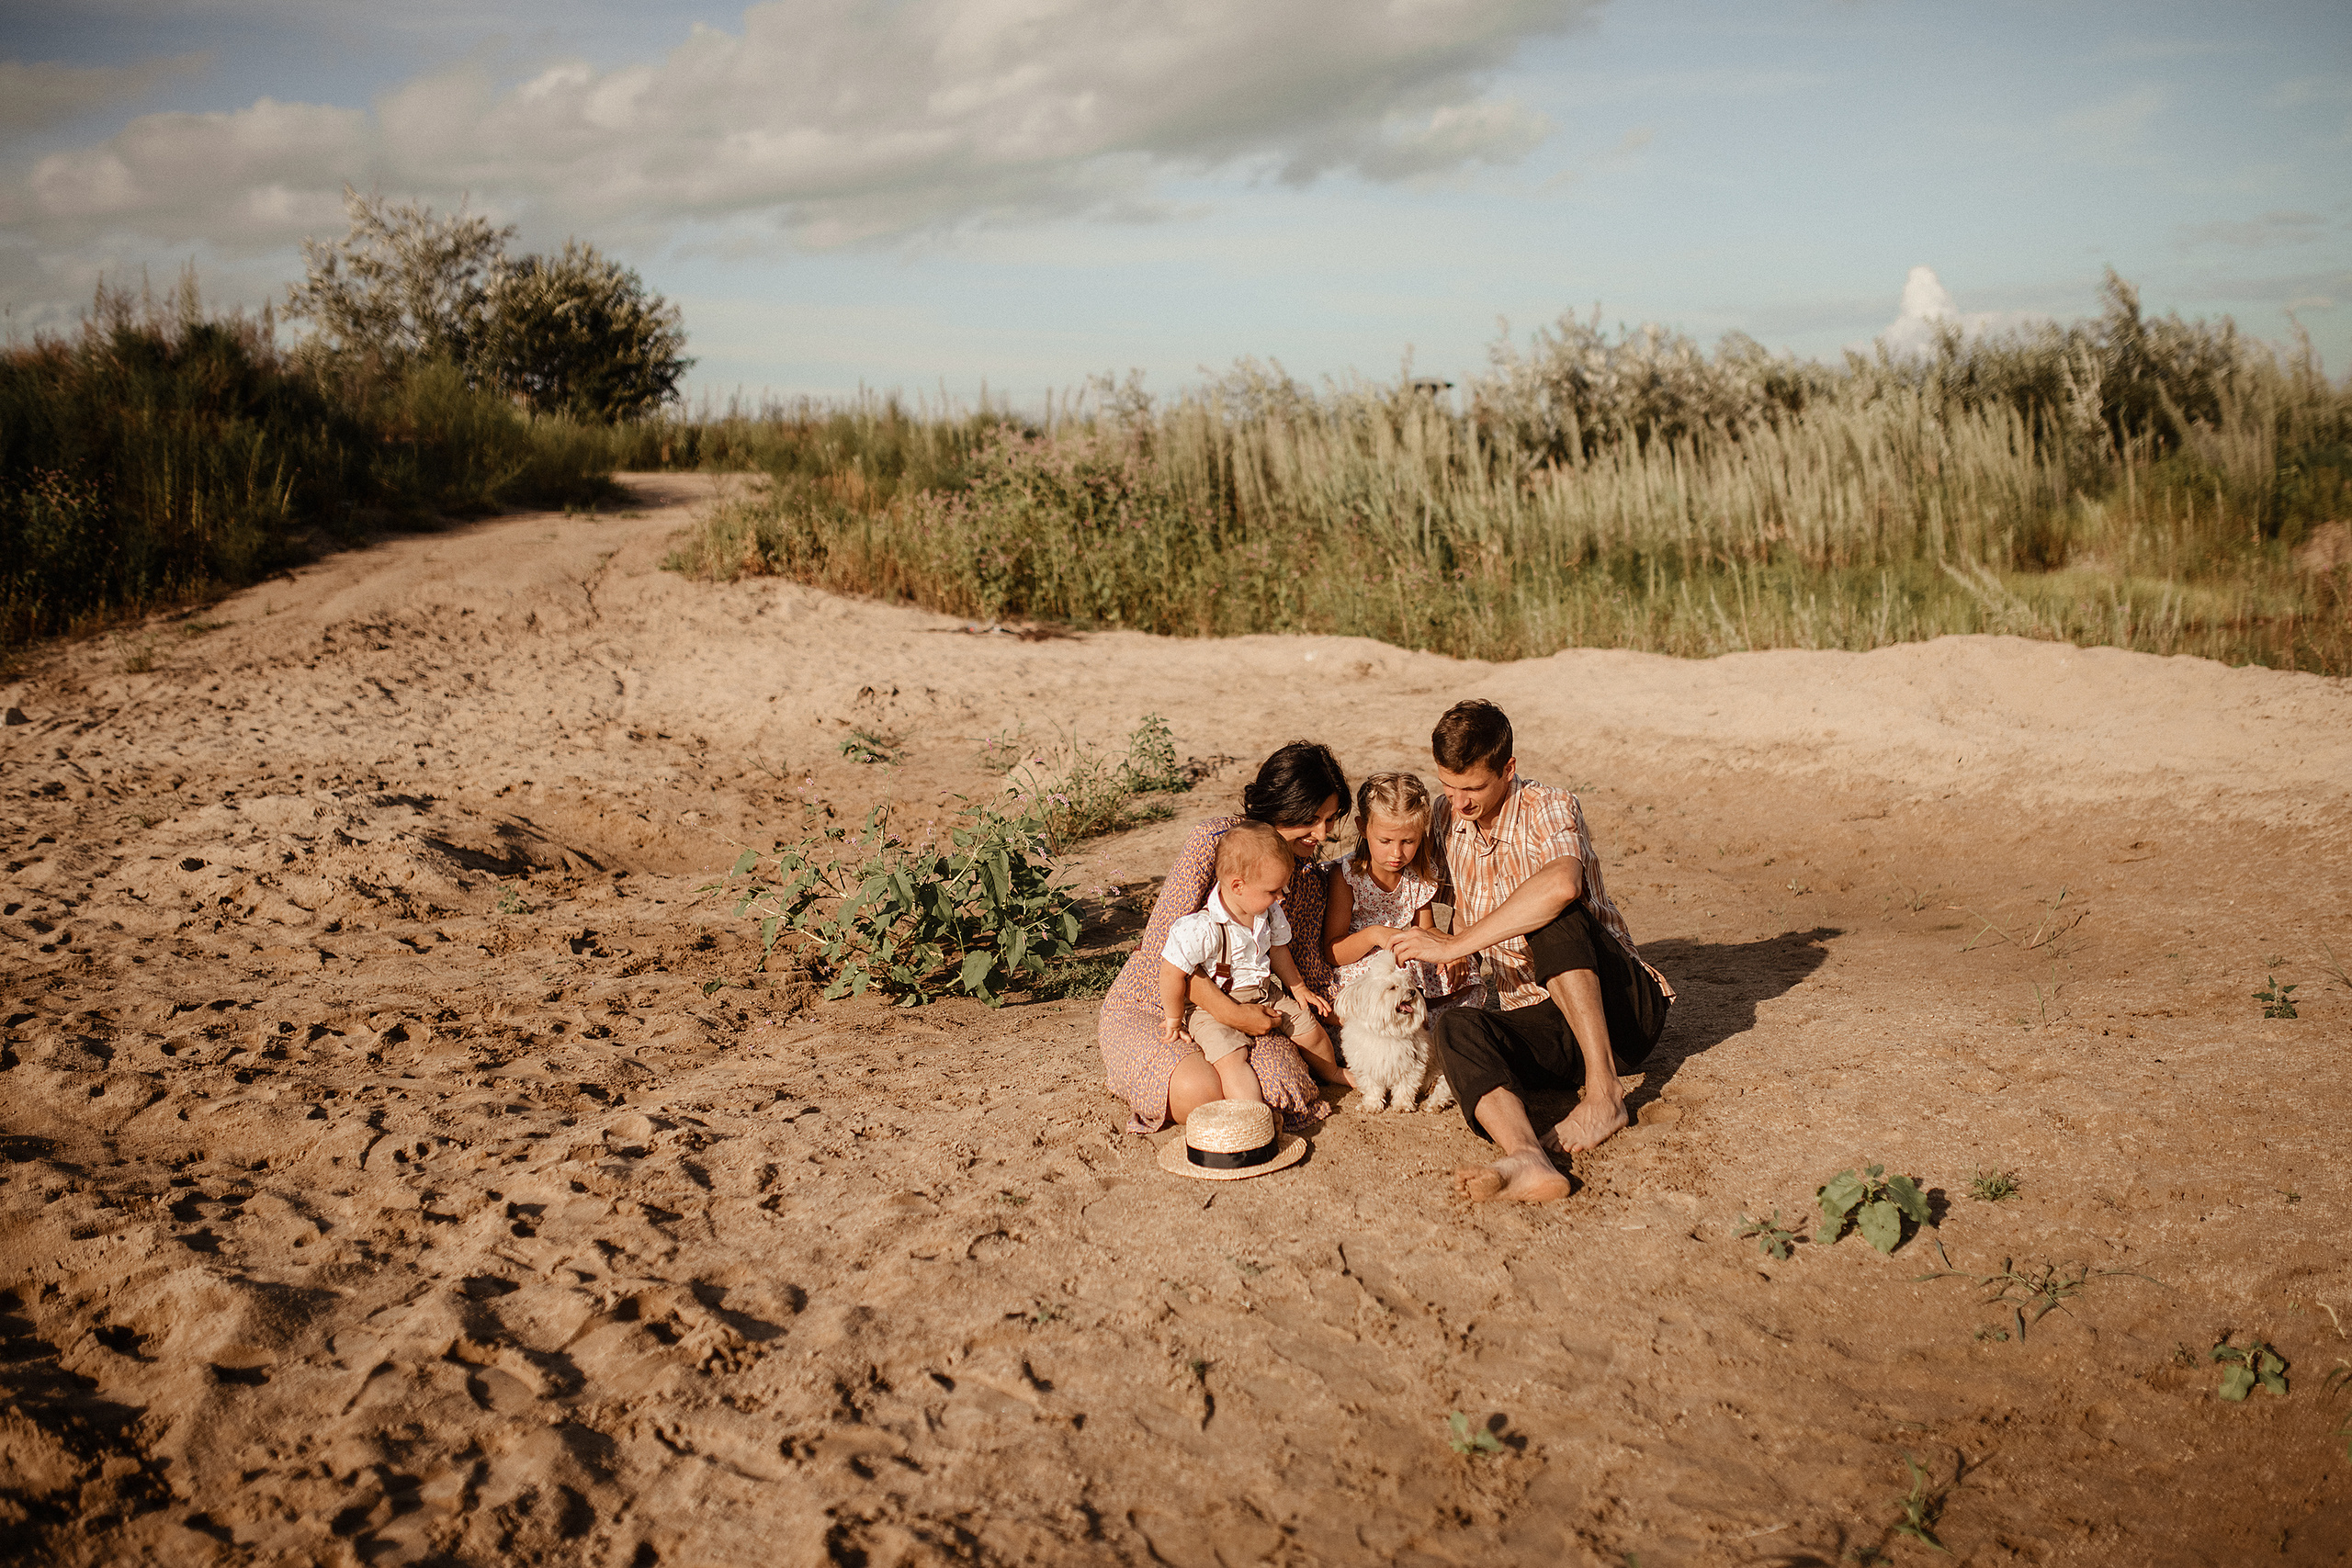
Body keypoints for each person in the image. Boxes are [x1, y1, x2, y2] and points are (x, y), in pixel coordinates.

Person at [1390, 700, 1676, 1202]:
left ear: (1509, 769)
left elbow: (1563, 884)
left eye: (1473, 787)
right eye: (1448, 786)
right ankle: (1525, 1157)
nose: (1458, 802)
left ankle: (1606, 1093)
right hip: (1543, 1019)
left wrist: (1459, 943)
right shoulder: (1444, 815)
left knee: (1553, 909)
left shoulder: (1550, 804)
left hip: (1622, 1011)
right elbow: (1384, 855)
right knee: (1458, 1027)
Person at [1097, 740, 1351, 1134]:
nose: (1322, 833)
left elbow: (1302, 970)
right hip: (1163, 1004)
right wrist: (1231, 1013)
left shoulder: (1305, 881)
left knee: (1282, 1085)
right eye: (1311, 818)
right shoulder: (1211, 843)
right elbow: (1161, 953)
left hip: (1254, 1004)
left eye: (1330, 820)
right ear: (1280, 805)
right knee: (1200, 1092)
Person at [1158, 822, 1333, 1109]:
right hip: (1211, 1009)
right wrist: (1174, 1019)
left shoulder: (1268, 911)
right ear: (1237, 885)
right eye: (1273, 890)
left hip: (1264, 993)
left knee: (1309, 1028)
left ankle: (1332, 1071)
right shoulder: (1202, 927)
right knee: (1231, 1059)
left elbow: (1277, 949)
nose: (1281, 897)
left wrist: (1298, 988)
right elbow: (1171, 971)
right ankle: (1252, 1113)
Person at [1322, 772, 1483, 1015]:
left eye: (1408, 841)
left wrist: (1450, 948)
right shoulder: (1347, 876)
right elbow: (1333, 952)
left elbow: (1426, 928)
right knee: (1394, 973)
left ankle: (1432, 1019)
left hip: (1405, 952)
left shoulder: (1417, 874)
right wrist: (1376, 935)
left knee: (1463, 967)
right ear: (1363, 828)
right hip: (1363, 961)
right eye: (1385, 841)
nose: (1397, 853)